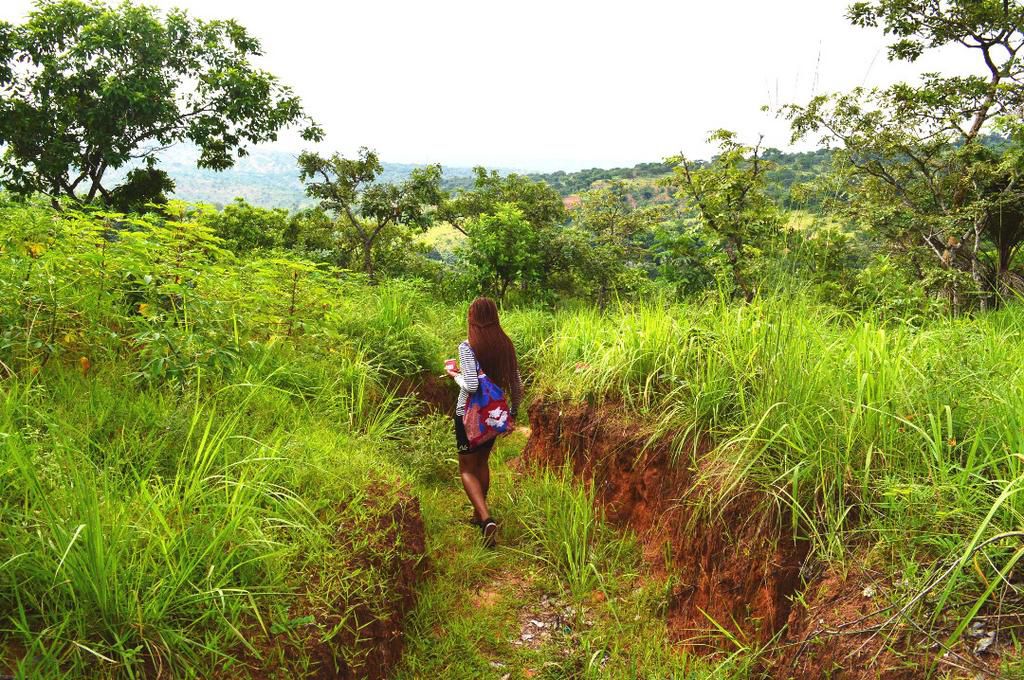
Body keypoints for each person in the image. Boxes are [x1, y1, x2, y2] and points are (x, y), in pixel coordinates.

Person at [445, 297, 523, 547]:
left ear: (473, 318)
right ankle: (479, 514)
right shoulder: (505, 345)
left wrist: (454, 375)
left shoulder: (468, 346)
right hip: (493, 417)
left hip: (467, 414)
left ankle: (486, 518)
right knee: (482, 463)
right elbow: (516, 383)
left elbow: (471, 385)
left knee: (467, 468)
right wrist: (514, 411)